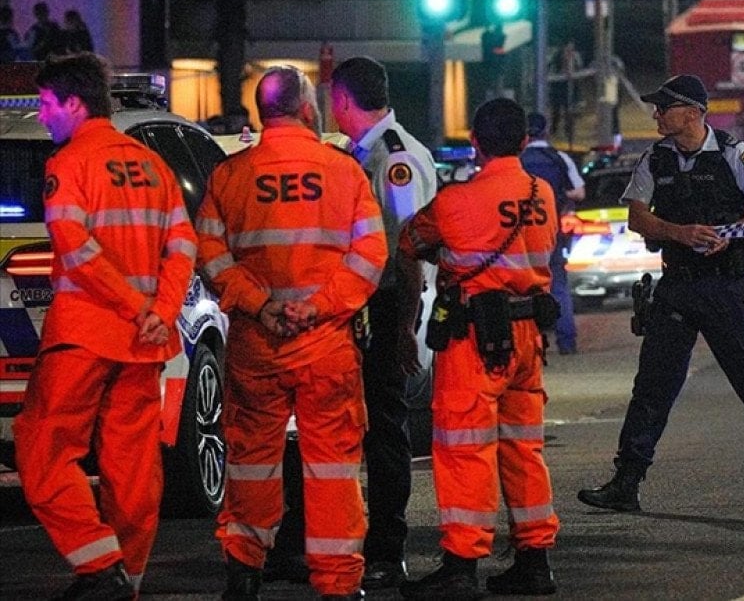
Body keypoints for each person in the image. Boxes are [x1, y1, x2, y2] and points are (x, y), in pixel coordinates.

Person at [195, 65, 387, 600]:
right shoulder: (344, 172)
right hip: (325, 344)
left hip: (257, 344)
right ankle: (338, 582)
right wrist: (318, 306)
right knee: (332, 468)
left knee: (251, 462)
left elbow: (210, 255)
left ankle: (243, 572)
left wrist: (260, 306)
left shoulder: (230, 175)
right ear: (306, 108)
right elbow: (370, 255)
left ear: (262, 113)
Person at [13, 52, 197, 599]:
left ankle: (99, 567)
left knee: (42, 450)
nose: (43, 114)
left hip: (85, 335)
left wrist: (134, 306)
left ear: (74, 103)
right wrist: (160, 312)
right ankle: (125, 583)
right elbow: (183, 245)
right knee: (133, 470)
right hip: (143, 344)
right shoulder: (153, 166)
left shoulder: (69, 164)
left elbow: (76, 248)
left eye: (47, 103)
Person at [577, 74, 744, 513]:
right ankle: (626, 482)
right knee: (652, 387)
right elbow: (637, 217)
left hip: (726, 286)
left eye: (665, 108)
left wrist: (729, 233)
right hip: (677, 285)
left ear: (694, 113)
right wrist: (679, 233)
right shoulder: (656, 158)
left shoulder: (734, 154)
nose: (656, 115)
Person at [397, 98, 561, 599]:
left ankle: (461, 566)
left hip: (474, 339)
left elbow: (411, 240)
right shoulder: (542, 193)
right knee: (523, 449)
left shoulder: (455, 201)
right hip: (528, 338)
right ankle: (535, 562)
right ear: (525, 141)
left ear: (475, 142)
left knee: (465, 450)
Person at [332, 55, 437, 589]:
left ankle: (387, 549)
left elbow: (408, 249)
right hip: (366, 304)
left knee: (385, 429)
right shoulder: (363, 153)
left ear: (342, 99)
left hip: (389, 303)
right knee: (360, 425)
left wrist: (404, 328)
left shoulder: (395, 159)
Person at [520, 111, 584, 355]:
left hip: (519, 233)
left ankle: (528, 344)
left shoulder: (517, 160)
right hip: (551, 231)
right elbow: (579, 192)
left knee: (522, 288)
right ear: (546, 131)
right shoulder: (558, 158)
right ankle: (566, 342)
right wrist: (556, 195)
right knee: (558, 285)